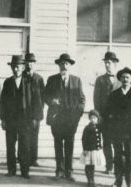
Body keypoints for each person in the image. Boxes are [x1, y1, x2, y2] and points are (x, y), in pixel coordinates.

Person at [44, 53, 86, 181]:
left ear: (70, 65)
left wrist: (78, 113)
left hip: (71, 120)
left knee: (69, 144)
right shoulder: (52, 79)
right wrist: (52, 101)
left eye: (67, 64)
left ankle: (69, 171)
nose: (64, 66)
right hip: (56, 118)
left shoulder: (76, 80)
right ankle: (59, 170)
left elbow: (82, 99)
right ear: (59, 65)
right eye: (62, 64)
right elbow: (45, 96)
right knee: (57, 144)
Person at [102, 67, 131, 187]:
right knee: (117, 156)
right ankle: (118, 180)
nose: (125, 79)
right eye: (123, 77)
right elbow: (106, 111)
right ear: (120, 79)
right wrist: (112, 123)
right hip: (116, 131)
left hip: (130, 132)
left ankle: (129, 181)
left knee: (129, 157)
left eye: (128, 77)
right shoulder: (114, 95)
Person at [0, 55, 41, 179]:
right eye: (14, 67)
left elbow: (36, 100)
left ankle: (25, 171)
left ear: (23, 67)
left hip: (25, 119)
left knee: (25, 146)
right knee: (10, 145)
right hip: (11, 119)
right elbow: (3, 102)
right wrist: (3, 119)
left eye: (18, 66)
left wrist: (35, 118)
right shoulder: (7, 82)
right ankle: (11, 170)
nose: (16, 69)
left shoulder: (30, 81)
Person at [93, 51, 121, 174]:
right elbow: (96, 99)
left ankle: (118, 166)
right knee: (107, 142)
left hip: (118, 119)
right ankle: (109, 166)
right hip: (104, 118)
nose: (107, 65)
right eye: (105, 63)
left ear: (115, 63)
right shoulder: (100, 80)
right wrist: (99, 116)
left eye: (109, 63)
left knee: (118, 143)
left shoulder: (121, 79)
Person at [23, 52, 45, 167]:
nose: (29, 65)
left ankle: (33, 159)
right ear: (24, 63)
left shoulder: (39, 79)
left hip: (35, 113)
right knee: (23, 136)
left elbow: (43, 97)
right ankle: (22, 157)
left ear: (34, 64)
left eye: (31, 62)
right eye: (27, 62)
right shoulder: (21, 76)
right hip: (23, 113)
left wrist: (39, 113)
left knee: (34, 136)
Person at [80, 110, 106, 187]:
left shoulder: (99, 127)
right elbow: (83, 139)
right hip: (88, 150)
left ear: (97, 119)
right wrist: (84, 149)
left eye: (94, 118)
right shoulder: (87, 128)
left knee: (93, 165)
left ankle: (92, 179)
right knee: (88, 165)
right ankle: (89, 180)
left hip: (95, 150)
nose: (93, 119)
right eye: (91, 118)